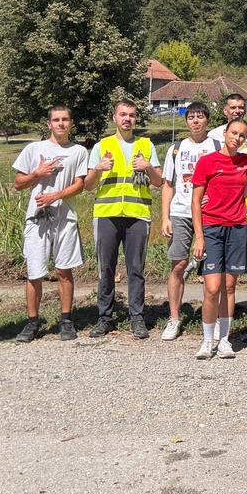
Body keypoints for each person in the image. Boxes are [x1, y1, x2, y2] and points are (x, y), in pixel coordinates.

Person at [84, 100, 163, 338]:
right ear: (114, 118)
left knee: (136, 269)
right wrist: (97, 169)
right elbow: (88, 186)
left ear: (135, 119)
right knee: (105, 268)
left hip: (137, 214)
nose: (127, 119)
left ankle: (137, 318)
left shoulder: (146, 145)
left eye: (131, 115)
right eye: (122, 114)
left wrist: (148, 167)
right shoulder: (102, 146)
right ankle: (105, 317)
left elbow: (159, 181)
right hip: (107, 214)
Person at [11, 105, 89, 342]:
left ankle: (65, 319)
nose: (61, 124)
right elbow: (18, 183)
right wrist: (38, 174)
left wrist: (56, 195)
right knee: (35, 271)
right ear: (48, 124)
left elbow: (80, 184)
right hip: (37, 219)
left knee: (64, 269)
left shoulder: (78, 151)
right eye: (56, 120)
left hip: (64, 218)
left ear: (71, 123)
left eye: (65, 119)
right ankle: (32, 322)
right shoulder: (34, 149)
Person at [189, 119, 247, 359]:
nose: (237, 138)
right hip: (212, 228)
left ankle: (224, 339)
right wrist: (199, 237)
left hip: (236, 228)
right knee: (212, 288)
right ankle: (207, 340)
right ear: (225, 133)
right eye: (234, 133)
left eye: (242, 135)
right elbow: (196, 201)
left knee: (229, 286)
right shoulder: (207, 162)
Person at [160, 102, 220, 341]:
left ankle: (213, 319)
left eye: (200, 117)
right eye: (191, 117)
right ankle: (174, 319)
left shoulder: (217, 146)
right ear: (186, 121)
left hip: (209, 213)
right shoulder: (176, 148)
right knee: (178, 266)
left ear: (207, 120)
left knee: (211, 270)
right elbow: (167, 185)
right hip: (181, 213)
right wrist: (164, 217)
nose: (195, 121)